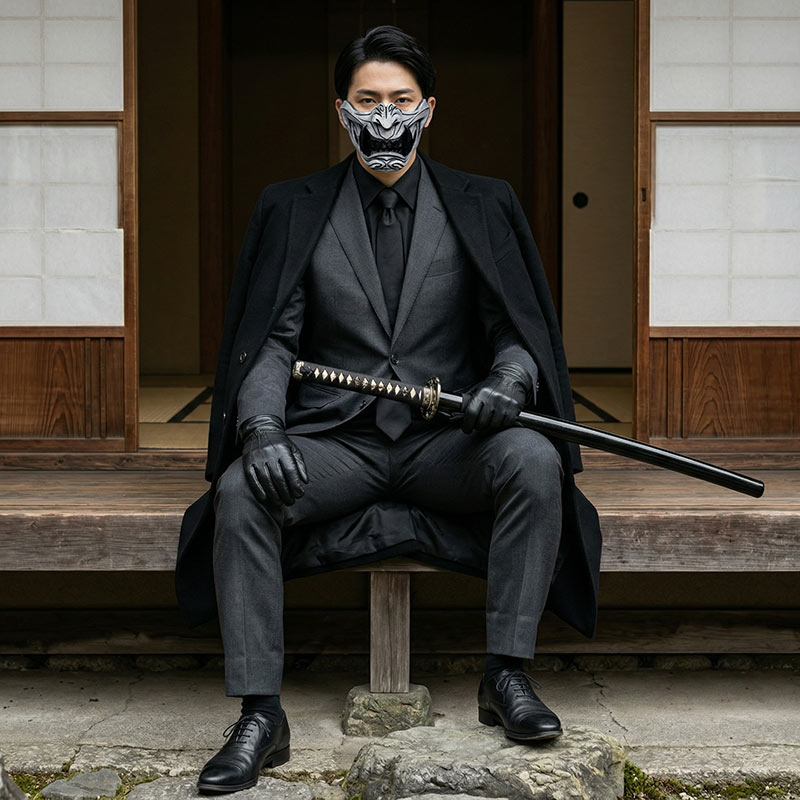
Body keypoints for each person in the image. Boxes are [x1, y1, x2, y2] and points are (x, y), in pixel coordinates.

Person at [177, 25, 602, 795]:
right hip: (332, 444)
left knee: (534, 461)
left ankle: (505, 675)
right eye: (367, 100)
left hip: (448, 444)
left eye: (400, 100)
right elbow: (271, 340)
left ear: (428, 108)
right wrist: (262, 427)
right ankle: (258, 711)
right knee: (244, 489)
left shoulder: (484, 203)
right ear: (342, 109)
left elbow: (516, 330)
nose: (384, 117)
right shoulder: (292, 207)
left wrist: (507, 385)